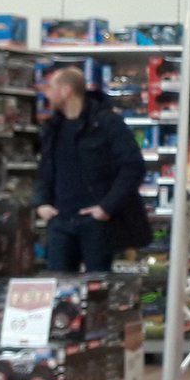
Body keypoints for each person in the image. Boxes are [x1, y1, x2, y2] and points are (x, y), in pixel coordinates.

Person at [33, 65, 150, 273]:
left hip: (96, 223)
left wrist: (106, 207)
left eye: (51, 87)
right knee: (58, 284)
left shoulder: (106, 123)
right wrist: (42, 202)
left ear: (66, 91)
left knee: (98, 285)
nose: (47, 94)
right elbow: (45, 169)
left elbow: (133, 167)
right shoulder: (53, 127)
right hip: (59, 220)